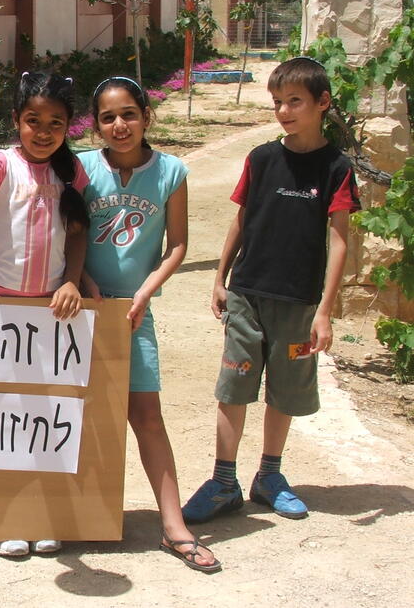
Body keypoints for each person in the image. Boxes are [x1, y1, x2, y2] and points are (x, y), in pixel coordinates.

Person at [182, 56, 360, 526]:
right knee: (233, 387)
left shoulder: (336, 168)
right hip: (247, 294)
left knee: (285, 391)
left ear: (322, 103)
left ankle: (270, 477)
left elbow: (339, 239)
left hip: (300, 304)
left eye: (294, 102)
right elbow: (241, 219)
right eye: (278, 102)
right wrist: (220, 279)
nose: (283, 111)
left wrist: (325, 310)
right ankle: (223, 482)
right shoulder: (261, 159)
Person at [78, 76, 220, 573]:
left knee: (147, 418)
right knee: (78, 417)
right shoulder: (82, 167)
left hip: (135, 314)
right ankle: (73, 518)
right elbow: (66, 230)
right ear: (96, 124)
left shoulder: (171, 172)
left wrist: (145, 291)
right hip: (83, 311)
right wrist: (84, 280)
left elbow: (178, 244)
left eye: (129, 114)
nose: (119, 125)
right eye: (108, 117)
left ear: (146, 115)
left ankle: (174, 525)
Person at [0, 70, 90, 558]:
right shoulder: (0, 163)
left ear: (69, 126)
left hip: (51, 317)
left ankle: (42, 516)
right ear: (16, 120)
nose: (44, 131)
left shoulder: (72, 172)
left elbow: (76, 233)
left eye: (56, 122)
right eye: (33, 120)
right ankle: (1, 519)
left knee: (43, 419)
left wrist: (72, 280)